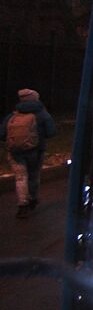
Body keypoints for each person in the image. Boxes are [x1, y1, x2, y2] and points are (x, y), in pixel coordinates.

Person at [5, 88, 56, 218]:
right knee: (33, 175)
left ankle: (22, 205)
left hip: (15, 152)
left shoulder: (13, 115)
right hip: (36, 151)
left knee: (20, 177)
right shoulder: (42, 114)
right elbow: (51, 132)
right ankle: (33, 199)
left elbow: (2, 133)